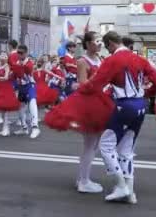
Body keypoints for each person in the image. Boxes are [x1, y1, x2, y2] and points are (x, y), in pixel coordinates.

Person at [77, 31, 156, 203]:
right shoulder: (139, 59)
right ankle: (130, 193)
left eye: (107, 47)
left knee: (106, 146)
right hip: (141, 106)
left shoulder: (113, 60)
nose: (107, 51)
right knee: (126, 150)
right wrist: (146, 94)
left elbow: (96, 84)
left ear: (111, 43)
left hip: (124, 106)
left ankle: (121, 186)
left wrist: (82, 90)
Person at [45, 31, 113, 194]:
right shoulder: (83, 61)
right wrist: (99, 82)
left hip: (99, 100)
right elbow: (82, 83)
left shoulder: (100, 59)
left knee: (93, 144)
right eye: (97, 41)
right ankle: (83, 181)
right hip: (89, 103)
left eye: (100, 41)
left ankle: (82, 178)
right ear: (88, 44)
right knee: (90, 145)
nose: (100, 44)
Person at [0, 52, 21, 136]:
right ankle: (5, 128)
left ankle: (6, 129)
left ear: (7, 58)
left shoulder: (6, 66)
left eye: (5, 56)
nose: (3, 57)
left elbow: (6, 77)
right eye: (1, 56)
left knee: (5, 110)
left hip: (6, 88)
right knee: (2, 110)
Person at [11, 44, 41, 139]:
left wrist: (19, 66)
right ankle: (24, 128)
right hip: (21, 87)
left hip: (29, 85)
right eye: (18, 53)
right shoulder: (16, 62)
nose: (19, 55)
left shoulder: (29, 63)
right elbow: (14, 75)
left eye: (21, 53)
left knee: (32, 103)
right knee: (20, 109)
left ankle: (35, 127)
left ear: (26, 53)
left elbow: (28, 70)